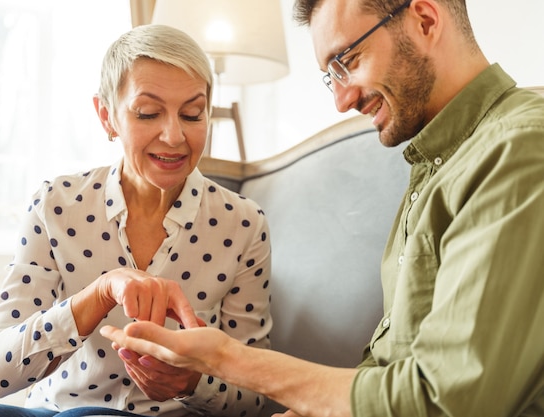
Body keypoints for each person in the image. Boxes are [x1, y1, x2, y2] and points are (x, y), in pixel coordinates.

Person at [100, 0, 544, 416]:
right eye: (330, 76)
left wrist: (224, 357)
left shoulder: (520, 149)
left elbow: (447, 399)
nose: (342, 100)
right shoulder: (435, 166)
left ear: (425, 20)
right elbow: (394, 370)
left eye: (347, 61)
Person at [0, 24, 272, 417]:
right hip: (54, 410)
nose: (174, 136)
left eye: (192, 114)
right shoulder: (55, 205)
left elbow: (259, 395)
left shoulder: (242, 224)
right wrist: (98, 294)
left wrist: (191, 384)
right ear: (107, 116)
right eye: (148, 113)